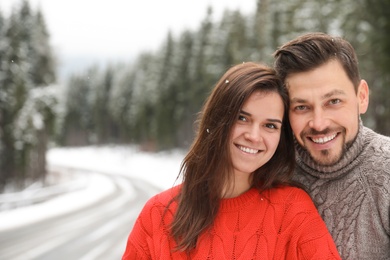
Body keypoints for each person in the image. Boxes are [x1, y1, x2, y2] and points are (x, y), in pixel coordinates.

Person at [122, 62, 341, 259]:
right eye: (242, 118)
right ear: (218, 119)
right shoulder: (157, 215)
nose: (254, 136)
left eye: (270, 125)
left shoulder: (293, 210)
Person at [273, 32, 390, 260]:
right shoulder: (270, 172)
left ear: (362, 97)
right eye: (302, 107)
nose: (319, 123)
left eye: (333, 102)